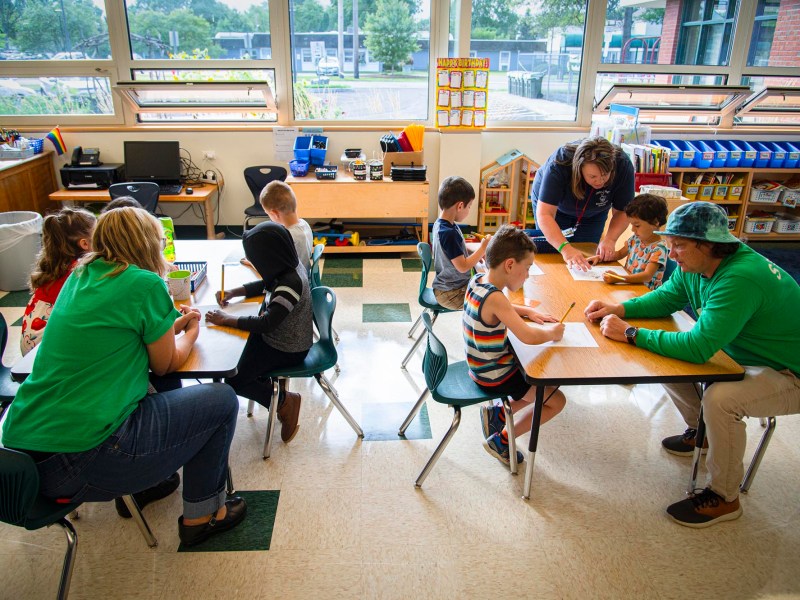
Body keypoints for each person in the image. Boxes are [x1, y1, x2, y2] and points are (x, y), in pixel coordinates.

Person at [2, 207, 246, 547]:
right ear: (147, 244)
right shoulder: (144, 283)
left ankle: (152, 482)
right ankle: (202, 517)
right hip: (78, 461)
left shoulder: (78, 275)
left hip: (20, 455)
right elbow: (166, 364)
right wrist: (190, 330)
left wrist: (165, 328)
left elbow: (118, 334)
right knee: (221, 401)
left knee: (156, 390)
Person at [584, 201, 800, 528]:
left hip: (790, 374)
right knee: (666, 359)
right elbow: (666, 298)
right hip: (747, 356)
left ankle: (725, 498)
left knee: (721, 400)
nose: (672, 254)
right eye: (670, 245)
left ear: (708, 243)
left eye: (679, 246)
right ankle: (704, 432)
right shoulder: (699, 265)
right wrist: (619, 309)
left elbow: (699, 348)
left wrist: (630, 333)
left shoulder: (740, 277)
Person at [462, 225, 567, 467]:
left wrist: (528, 311)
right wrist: (552, 332)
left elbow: (501, 308)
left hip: (479, 366)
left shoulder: (479, 279)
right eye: (527, 268)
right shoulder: (496, 298)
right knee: (556, 400)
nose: (528, 275)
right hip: (495, 375)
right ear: (510, 265)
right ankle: (502, 440)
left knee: (549, 381)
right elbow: (528, 337)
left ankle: (498, 413)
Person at [206, 221, 313, 444]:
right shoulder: (287, 268)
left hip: (286, 347)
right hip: (280, 339)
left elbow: (266, 324)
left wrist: (227, 319)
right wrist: (236, 291)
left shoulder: (290, 284)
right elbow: (266, 284)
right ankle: (272, 391)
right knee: (234, 357)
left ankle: (284, 401)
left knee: (234, 378)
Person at [530, 137, 635, 270]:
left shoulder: (623, 165)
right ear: (579, 168)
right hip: (555, 208)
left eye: (605, 175)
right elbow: (545, 214)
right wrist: (566, 249)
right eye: (593, 176)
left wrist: (610, 239)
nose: (600, 182)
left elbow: (623, 211)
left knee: (586, 251)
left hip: (595, 211)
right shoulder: (559, 163)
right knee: (555, 251)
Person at [20, 207, 96, 356]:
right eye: (99, 234)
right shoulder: (80, 271)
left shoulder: (54, 266)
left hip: (30, 349)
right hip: (45, 352)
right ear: (85, 244)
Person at [587, 193, 669, 290]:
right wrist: (600, 258)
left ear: (655, 222)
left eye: (637, 225)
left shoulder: (659, 249)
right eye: (632, 225)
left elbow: (647, 276)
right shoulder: (636, 239)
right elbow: (619, 254)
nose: (633, 230)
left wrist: (619, 278)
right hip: (629, 286)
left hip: (644, 294)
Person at [431, 176, 490, 310]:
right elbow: (463, 267)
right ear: (460, 206)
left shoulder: (444, 224)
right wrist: (482, 248)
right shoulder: (448, 233)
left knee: (487, 286)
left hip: (450, 288)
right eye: (469, 207)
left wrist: (478, 252)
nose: (469, 210)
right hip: (451, 294)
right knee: (490, 300)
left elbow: (457, 250)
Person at [259, 180, 313, 271]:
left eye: (268, 214)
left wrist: (253, 264)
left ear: (275, 213)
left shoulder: (287, 237)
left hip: (292, 282)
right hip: (303, 275)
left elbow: (273, 269)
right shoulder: (304, 224)